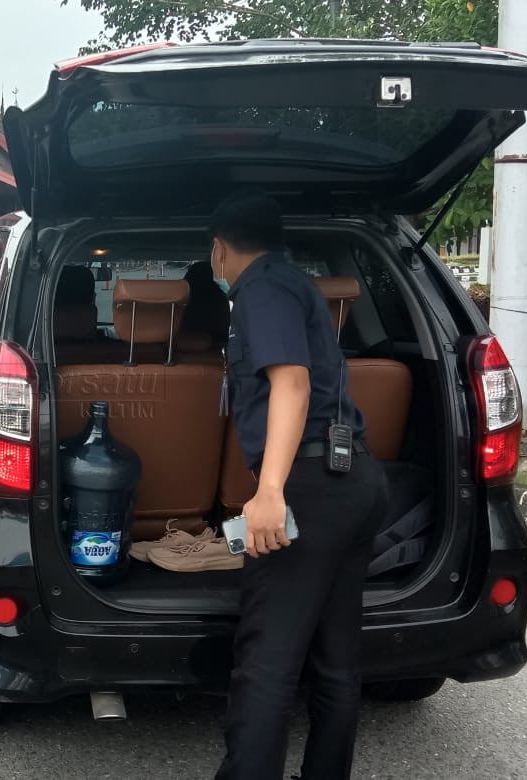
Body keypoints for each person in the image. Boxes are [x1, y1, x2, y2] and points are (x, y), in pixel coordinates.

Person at [210, 193, 387, 780]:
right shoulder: (299, 283)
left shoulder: (258, 290)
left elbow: (291, 383)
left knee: (267, 664)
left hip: (308, 489)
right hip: (354, 481)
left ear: (220, 249)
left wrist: (270, 492)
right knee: (337, 663)